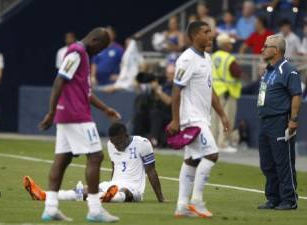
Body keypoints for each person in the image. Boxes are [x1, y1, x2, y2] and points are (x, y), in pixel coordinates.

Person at [39, 27, 121, 222]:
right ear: (94, 40)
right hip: (76, 115)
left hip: (68, 114)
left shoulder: (82, 55)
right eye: (101, 48)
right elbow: (59, 80)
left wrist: (105, 109)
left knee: (62, 159)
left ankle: (50, 208)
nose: (99, 52)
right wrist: (51, 111)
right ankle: (94, 209)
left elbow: (87, 92)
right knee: (96, 156)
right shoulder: (77, 52)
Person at [166, 21, 230, 218]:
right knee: (211, 154)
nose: (210, 35)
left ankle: (182, 206)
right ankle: (197, 201)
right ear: (194, 36)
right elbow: (176, 90)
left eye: (210, 31)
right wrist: (176, 120)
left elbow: (211, 92)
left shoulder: (207, 58)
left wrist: (222, 114)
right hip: (191, 118)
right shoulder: (187, 59)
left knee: (191, 160)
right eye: (205, 32)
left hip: (202, 117)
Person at [24, 122, 164, 203]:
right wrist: (111, 184)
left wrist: (161, 199)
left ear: (126, 136)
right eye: (113, 142)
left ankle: (109, 196)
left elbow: (151, 171)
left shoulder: (143, 143)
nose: (116, 145)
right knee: (85, 190)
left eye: (118, 142)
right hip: (113, 185)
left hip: (134, 188)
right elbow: (115, 167)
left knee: (124, 192)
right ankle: (44, 195)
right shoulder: (110, 145)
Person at [257, 34, 301, 210]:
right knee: (267, 163)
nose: (262, 49)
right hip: (264, 121)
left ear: (276, 50)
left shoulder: (288, 70)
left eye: (265, 46)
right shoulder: (268, 70)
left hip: (280, 121)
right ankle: (273, 197)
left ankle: (289, 199)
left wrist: (293, 120)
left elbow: (296, 95)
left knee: (283, 162)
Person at [211, 33, 243, 153]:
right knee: (226, 117)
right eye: (229, 43)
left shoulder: (213, 56)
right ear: (224, 45)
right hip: (227, 92)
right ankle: (223, 143)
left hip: (214, 91)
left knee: (213, 118)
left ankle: (213, 143)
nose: (231, 45)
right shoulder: (229, 58)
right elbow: (237, 72)